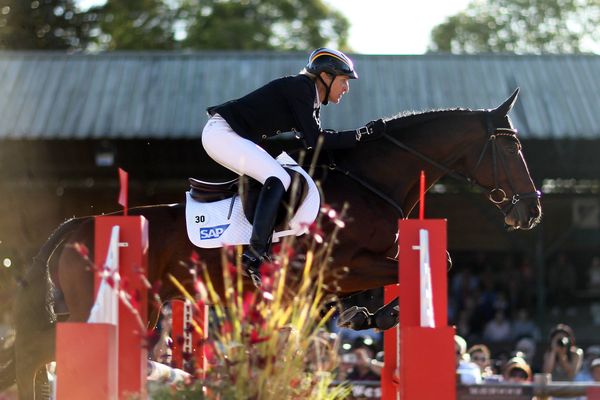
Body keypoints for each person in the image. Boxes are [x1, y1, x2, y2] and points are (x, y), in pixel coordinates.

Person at [202, 48, 386, 287]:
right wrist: (361, 135)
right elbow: (316, 139)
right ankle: (255, 255)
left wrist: (357, 139)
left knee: (279, 173)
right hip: (222, 134)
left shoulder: (310, 96)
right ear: (326, 77)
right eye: (343, 81)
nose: (346, 88)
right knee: (277, 177)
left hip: (229, 135)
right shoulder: (302, 88)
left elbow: (316, 142)